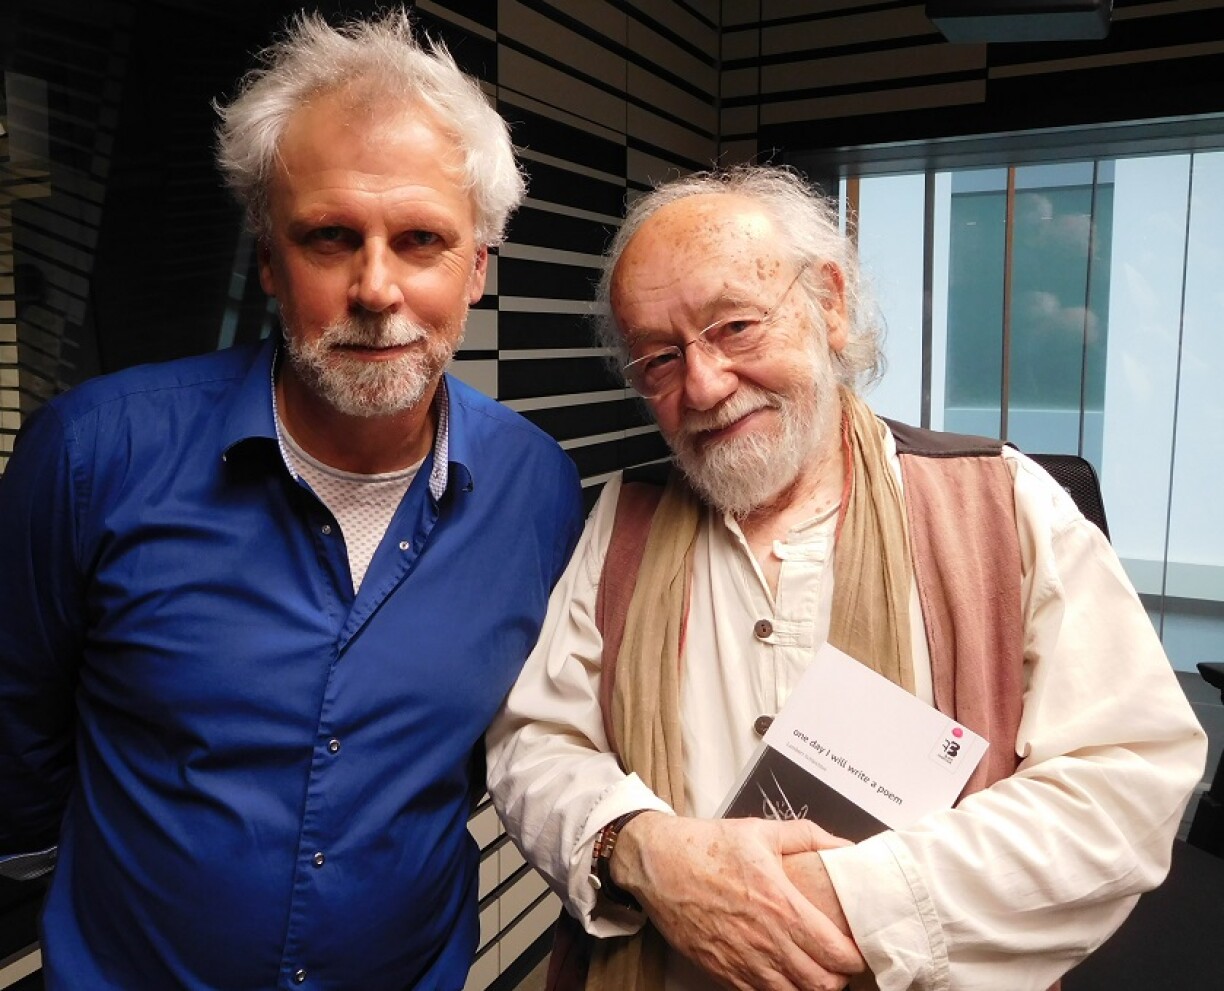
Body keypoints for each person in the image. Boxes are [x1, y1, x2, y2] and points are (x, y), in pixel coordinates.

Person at [485, 165, 1207, 991]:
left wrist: (844, 900)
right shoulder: (622, 520)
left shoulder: (1003, 501)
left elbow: (1124, 780)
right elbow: (535, 742)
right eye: (659, 358)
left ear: (828, 303)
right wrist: (640, 847)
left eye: (736, 326)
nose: (704, 384)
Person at [0, 9, 583, 990]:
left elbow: (521, 740)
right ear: (269, 259)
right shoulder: (91, 454)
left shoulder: (539, 492)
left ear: (478, 267)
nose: (376, 288)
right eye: (329, 237)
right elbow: (18, 738)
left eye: (422, 240)